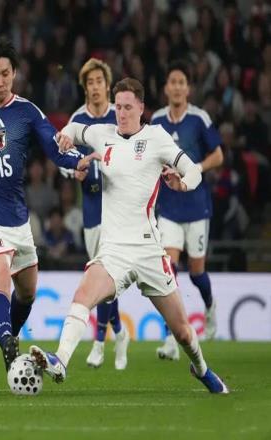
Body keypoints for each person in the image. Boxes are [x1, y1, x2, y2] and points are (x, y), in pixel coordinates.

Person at [30, 78, 229, 394]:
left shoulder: (157, 137)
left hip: (149, 250)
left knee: (182, 332)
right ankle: (60, 360)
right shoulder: (103, 134)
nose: (121, 113)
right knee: (82, 295)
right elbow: (75, 129)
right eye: (118, 107)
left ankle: (202, 369)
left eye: (127, 107)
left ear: (141, 108)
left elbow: (193, 170)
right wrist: (65, 136)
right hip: (114, 251)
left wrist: (182, 183)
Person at [0, 36, 98, 371]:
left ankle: (10, 336)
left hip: (19, 219)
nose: (0, 81)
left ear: (15, 74)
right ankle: (7, 344)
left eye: (5, 74)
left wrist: (78, 161)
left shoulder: (27, 111)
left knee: (27, 293)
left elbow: (54, 146)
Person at [151, 60, 223, 361]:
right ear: (166, 88)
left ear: (188, 88)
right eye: (173, 82)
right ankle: (171, 338)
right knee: (168, 269)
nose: (178, 87)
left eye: (182, 82)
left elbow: (218, 155)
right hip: (168, 208)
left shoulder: (199, 118)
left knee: (196, 273)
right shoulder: (156, 121)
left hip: (196, 207)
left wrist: (195, 169)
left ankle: (209, 306)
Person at [61, 58, 130, 370]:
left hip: (119, 207)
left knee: (107, 275)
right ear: (85, 88)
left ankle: (100, 342)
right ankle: (120, 333)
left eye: (100, 81)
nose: (95, 87)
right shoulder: (78, 119)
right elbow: (63, 155)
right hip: (91, 208)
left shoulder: (120, 115)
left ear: (108, 85)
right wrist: (72, 170)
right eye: (90, 83)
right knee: (102, 279)